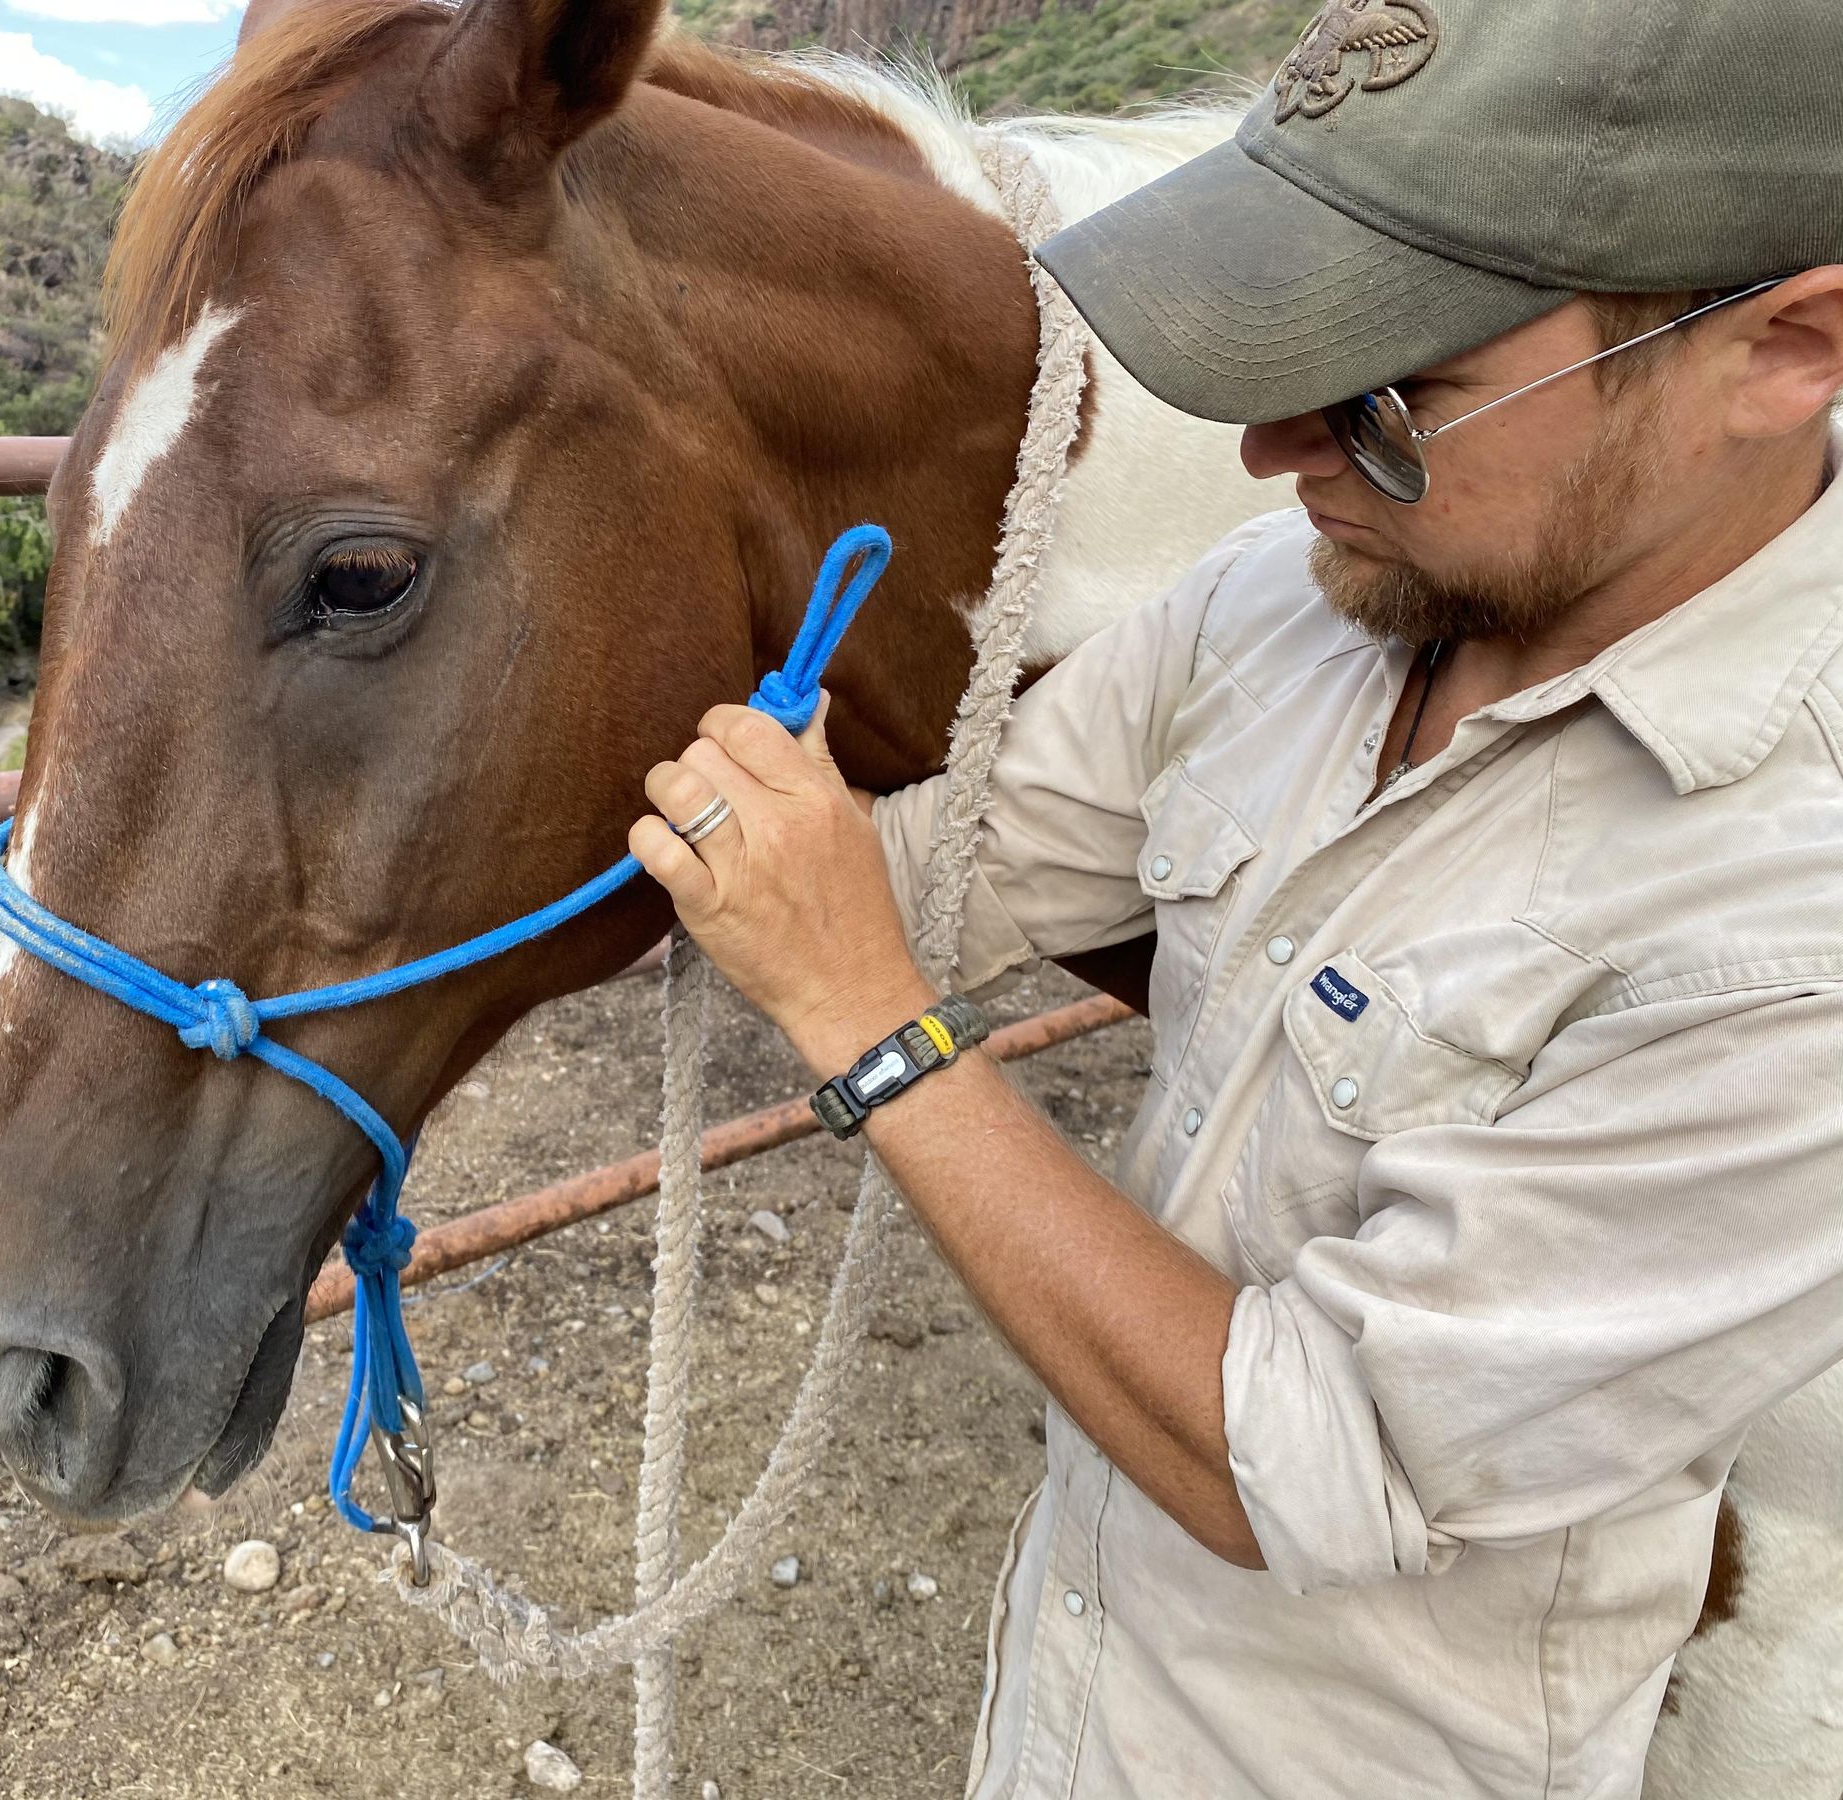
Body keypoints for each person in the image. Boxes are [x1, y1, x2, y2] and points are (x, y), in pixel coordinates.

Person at [626, 0, 1843, 1793]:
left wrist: (874, 1032)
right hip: (1074, 1690)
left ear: (1781, 348)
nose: (1274, 458)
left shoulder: (1784, 928)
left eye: (1389, 391)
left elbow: (1315, 1453)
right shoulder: (1291, 604)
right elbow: (929, 881)